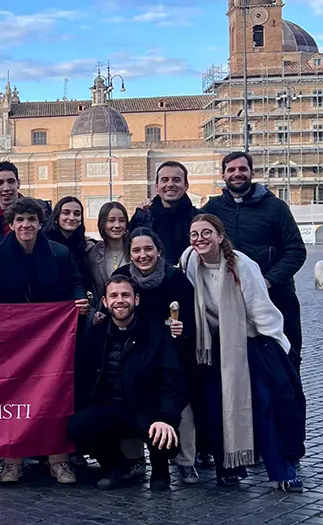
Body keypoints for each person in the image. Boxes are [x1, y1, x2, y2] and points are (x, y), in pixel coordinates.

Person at [180, 214, 305, 492]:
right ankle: (230, 468)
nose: (199, 239)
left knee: (265, 406)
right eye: (194, 234)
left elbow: (262, 309)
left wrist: (279, 348)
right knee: (216, 407)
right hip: (213, 345)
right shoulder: (190, 261)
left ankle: (282, 470)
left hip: (251, 340)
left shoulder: (243, 265)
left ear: (220, 236)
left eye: (206, 233)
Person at [0, 197, 89, 484]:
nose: (26, 225)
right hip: (13, 341)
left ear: (41, 223)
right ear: (11, 224)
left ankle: (59, 459)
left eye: (31, 220)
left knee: (55, 396)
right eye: (20, 220)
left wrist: (77, 303)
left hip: (53, 341)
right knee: (12, 399)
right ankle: (11, 461)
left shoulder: (59, 253)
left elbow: (76, 284)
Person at [68, 276, 186, 491]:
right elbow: (83, 374)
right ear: (104, 302)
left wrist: (165, 417)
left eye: (125, 295)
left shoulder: (157, 332)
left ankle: (160, 469)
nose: (119, 300)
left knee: (164, 441)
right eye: (113, 296)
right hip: (109, 407)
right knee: (77, 426)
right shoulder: (96, 333)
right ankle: (117, 467)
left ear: (136, 299)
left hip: (147, 409)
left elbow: (173, 379)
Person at [201, 151, 307, 361]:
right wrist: (148, 208)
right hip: (231, 302)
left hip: (276, 298)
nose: (237, 173)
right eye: (231, 170)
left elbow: (296, 250)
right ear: (223, 175)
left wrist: (267, 281)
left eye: (242, 169)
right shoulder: (213, 209)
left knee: (285, 364)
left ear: (251, 173)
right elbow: (184, 223)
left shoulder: (275, 207)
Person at [113, 228, 200, 484]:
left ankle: (185, 461)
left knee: (179, 402)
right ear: (129, 254)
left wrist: (182, 328)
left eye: (148, 249)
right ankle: (135, 459)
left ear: (159, 251)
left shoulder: (176, 279)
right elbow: (113, 310)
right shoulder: (121, 277)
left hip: (170, 350)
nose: (143, 255)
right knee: (129, 398)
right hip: (135, 350)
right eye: (136, 250)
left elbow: (192, 319)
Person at [129, 161, 199, 261]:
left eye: (176, 180)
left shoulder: (198, 219)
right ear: (157, 186)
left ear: (186, 185)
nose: (170, 184)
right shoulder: (142, 218)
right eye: (165, 180)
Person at [44, 196, 94, 290]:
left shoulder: (83, 245)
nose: (71, 218)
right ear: (57, 216)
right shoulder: (45, 243)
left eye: (77, 214)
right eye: (66, 213)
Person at [86, 201, 130, 299]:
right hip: (103, 311)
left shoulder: (135, 250)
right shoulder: (92, 253)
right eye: (111, 220)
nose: (117, 225)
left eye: (122, 220)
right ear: (103, 223)